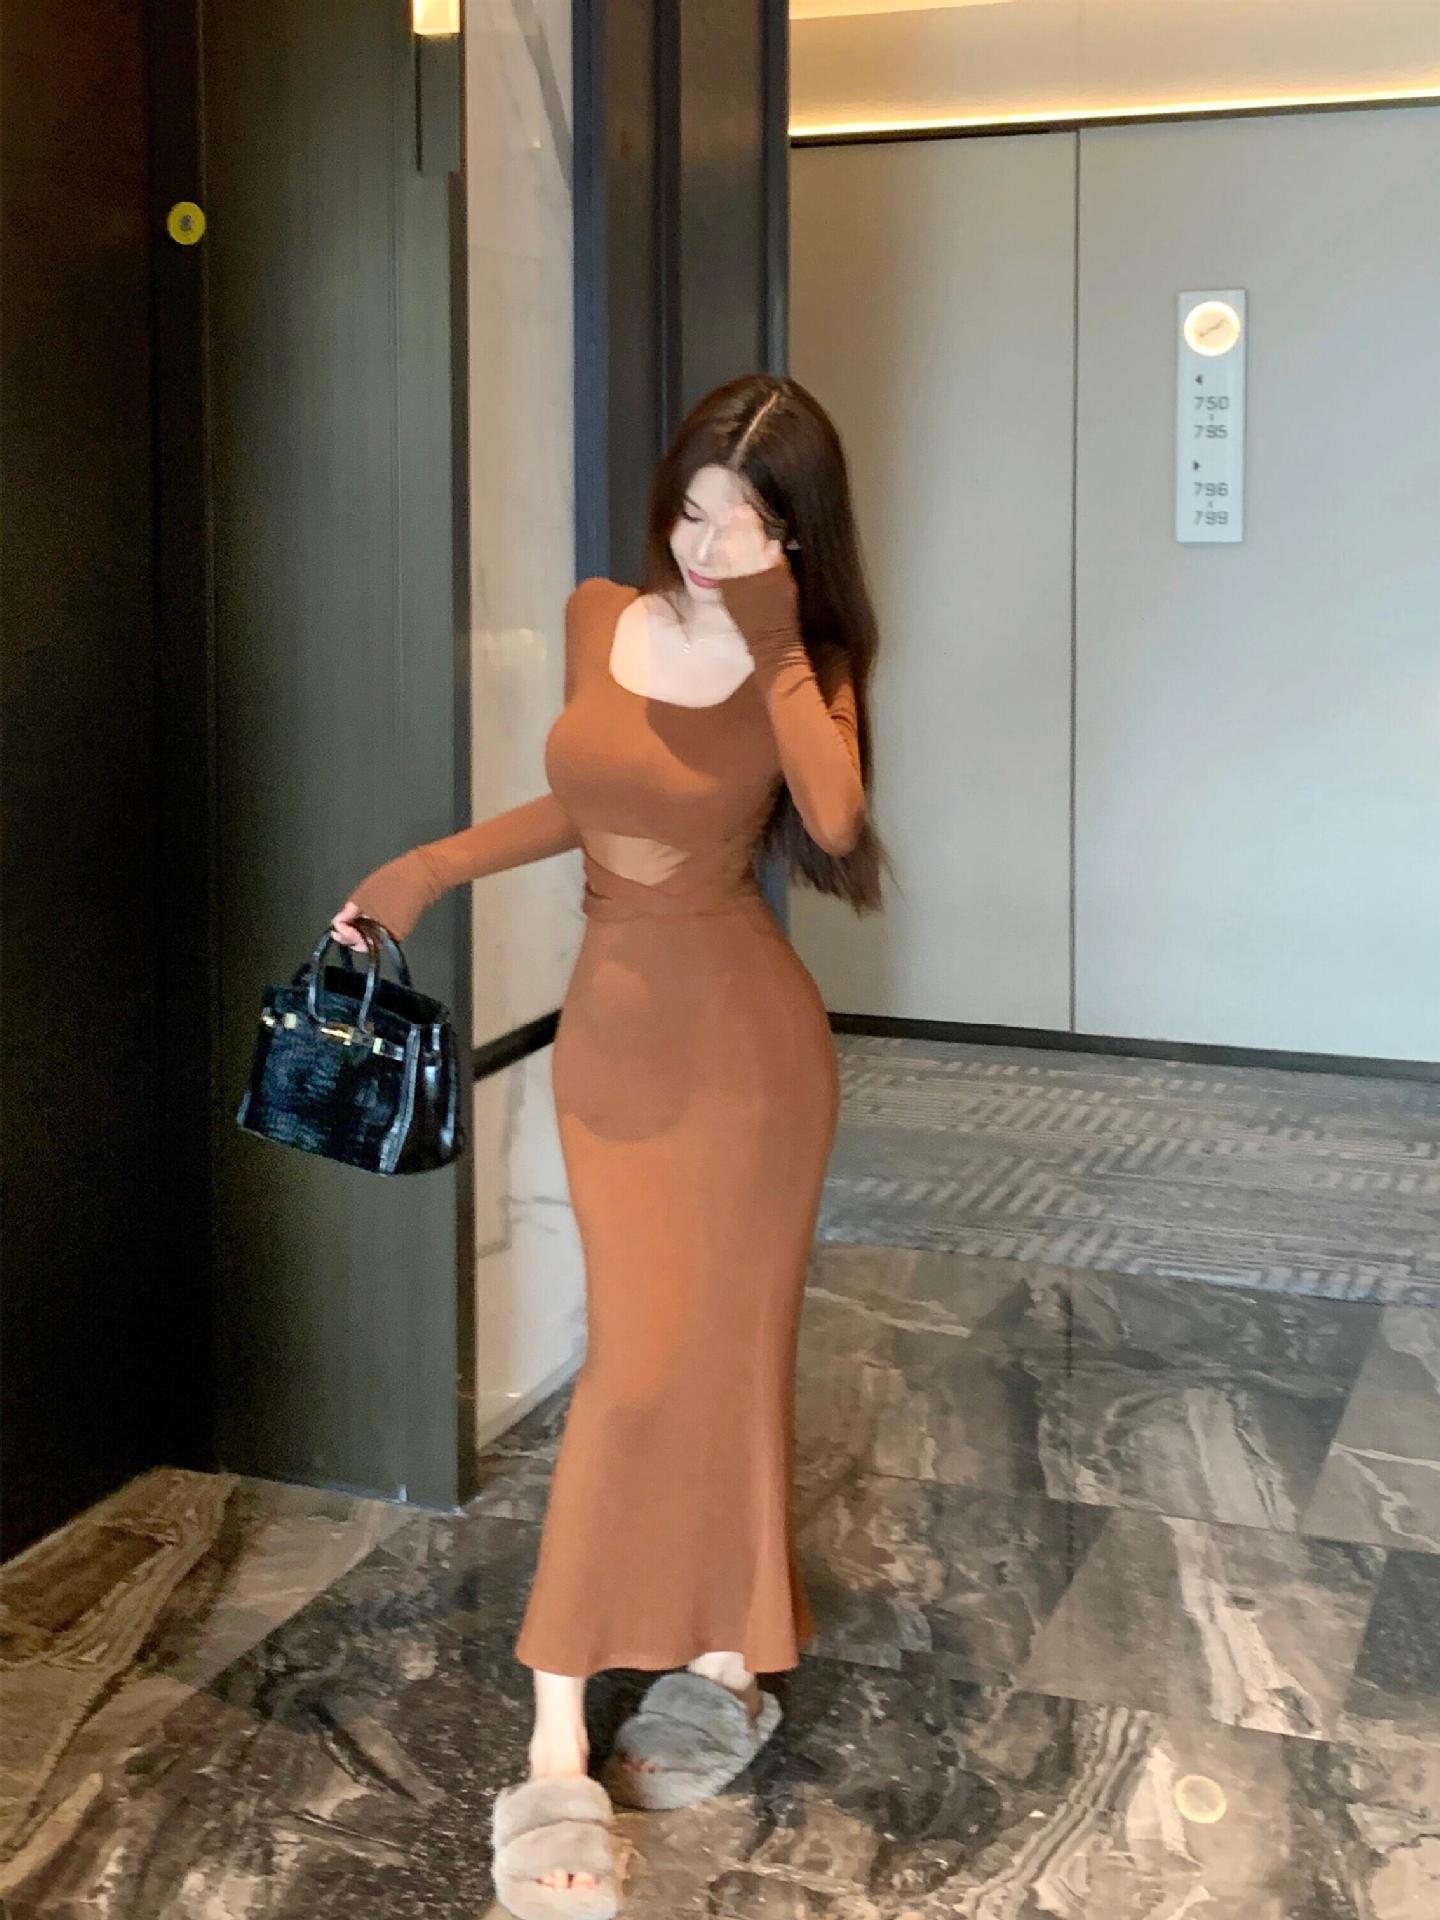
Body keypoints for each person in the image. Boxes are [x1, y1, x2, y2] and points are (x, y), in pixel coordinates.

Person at [333, 373, 885, 1918]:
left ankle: (611, 1705)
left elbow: (836, 820)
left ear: (795, 536)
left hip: (752, 1057)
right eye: (697, 508)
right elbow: (586, 802)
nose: (708, 544)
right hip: (617, 1046)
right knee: (639, 1366)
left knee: (724, 1359)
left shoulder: (807, 663)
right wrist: (426, 868)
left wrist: (775, 634)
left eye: (749, 522)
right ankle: (601, 1709)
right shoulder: (600, 617)